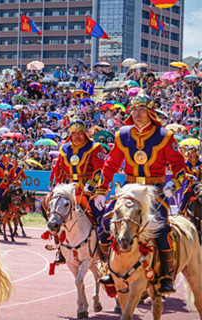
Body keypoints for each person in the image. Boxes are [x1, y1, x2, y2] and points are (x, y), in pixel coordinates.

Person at [93, 93, 187, 294]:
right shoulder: (123, 135)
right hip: (129, 189)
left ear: (151, 112)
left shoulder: (165, 136)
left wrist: (174, 184)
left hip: (155, 192)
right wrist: (101, 191)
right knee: (103, 225)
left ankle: (167, 275)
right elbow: (110, 164)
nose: (137, 114)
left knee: (161, 229)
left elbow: (180, 166)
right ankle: (108, 268)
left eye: (142, 109)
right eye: (134, 110)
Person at [50, 119, 106, 264]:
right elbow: (59, 170)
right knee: (54, 215)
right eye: (74, 133)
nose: (77, 136)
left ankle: (104, 249)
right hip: (69, 192)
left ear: (85, 133)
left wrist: (92, 184)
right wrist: (58, 187)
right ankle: (60, 249)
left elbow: (99, 168)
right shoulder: (64, 149)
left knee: (101, 217)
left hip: (88, 191)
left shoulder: (95, 147)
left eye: (80, 133)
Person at [0, 151, 15, 224]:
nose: (8, 159)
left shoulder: (11, 166)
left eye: (9, 157)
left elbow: (12, 176)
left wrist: (13, 181)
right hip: (0, 185)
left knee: (13, 198)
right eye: (6, 157)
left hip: (8, 185)